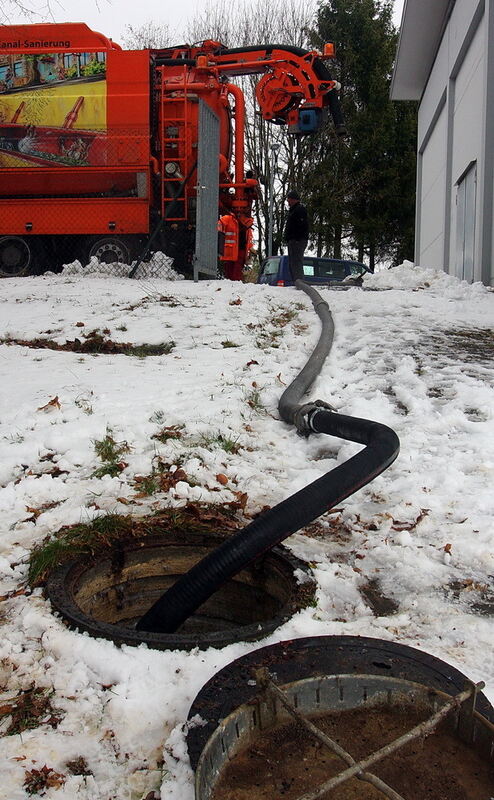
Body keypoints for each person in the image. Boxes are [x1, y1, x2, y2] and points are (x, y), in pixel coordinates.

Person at [284, 189, 309, 282]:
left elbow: (302, 225)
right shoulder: (294, 210)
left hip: (297, 240)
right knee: (293, 262)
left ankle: (299, 281)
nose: (288, 201)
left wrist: (297, 238)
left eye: (289, 199)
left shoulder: (299, 210)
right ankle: (296, 280)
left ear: (294, 199)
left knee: (296, 262)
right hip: (294, 240)